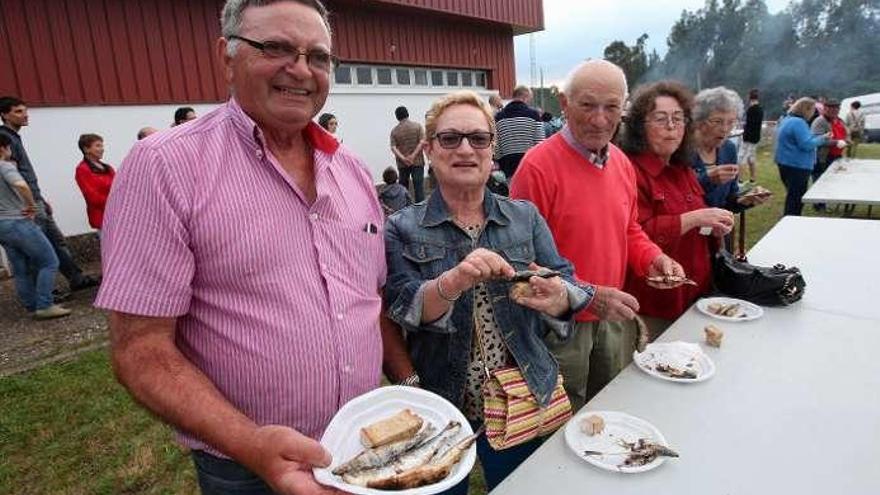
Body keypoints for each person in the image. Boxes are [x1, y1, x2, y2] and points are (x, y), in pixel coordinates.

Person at [95, 1, 391, 493]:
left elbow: (369, 301)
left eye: (317, 57)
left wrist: (408, 389)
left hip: (365, 446)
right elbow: (140, 349)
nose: (300, 70)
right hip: (246, 468)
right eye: (275, 48)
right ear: (226, 56)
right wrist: (250, 444)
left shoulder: (352, 170)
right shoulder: (166, 165)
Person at [383, 90, 593, 493]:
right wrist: (453, 281)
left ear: (492, 150)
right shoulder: (402, 227)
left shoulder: (524, 216)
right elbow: (401, 305)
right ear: (429, 149)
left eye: (478, 139)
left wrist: (559, 296)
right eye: (450, 138)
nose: (465, 149)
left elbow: (569, 281)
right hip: (442, 401)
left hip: (521, 395)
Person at [510, 60, 687, 411]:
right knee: (560, 420)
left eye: (611, 107)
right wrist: (584, 297)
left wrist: (653, 258)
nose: (599, 119)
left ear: (624, 109)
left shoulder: (621, 163)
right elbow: (518, 260)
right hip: (559, 327)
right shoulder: (537, 167)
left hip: (613, 317)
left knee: (611, 410)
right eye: (587, 105)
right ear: (564, 103)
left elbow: (629, 228)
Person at [620, 81, 733, 337]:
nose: (671, 127)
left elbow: (698, 222)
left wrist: (712, 226)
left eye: (678, 118)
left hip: (696, 293)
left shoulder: (683, 169)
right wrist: (694, 218)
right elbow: (636, 234)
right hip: (655, 303)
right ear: (640, 127)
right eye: (660, 119)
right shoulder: (630, 172)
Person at [0, 96, 101, 293]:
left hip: (36, 199)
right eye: (18, 111)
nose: (25, 115)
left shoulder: (14, 137)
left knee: (56, 241)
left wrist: (41, 199)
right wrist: (29, 204)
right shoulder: (6, 140)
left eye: (25, 110)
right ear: (4, 115)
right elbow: (13, 177)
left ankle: (76, 278)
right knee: (39, 251)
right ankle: (44, 294)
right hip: (26, 206)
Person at [0, 133, 71, 319]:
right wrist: (31, 205)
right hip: (18, 221)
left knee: (20, 268)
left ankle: (32, 305)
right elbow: (21, 185)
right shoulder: (5, 166)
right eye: (8, 148)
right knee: (49, 261)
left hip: (3, 226)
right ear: (3, 148)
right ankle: (45, 305)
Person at [691, 87, 768, 213]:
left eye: (731, 122)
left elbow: (728, 200)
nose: (725, 129)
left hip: (720, 230)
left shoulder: (729, 149)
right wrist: (707, 180)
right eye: (717, 121)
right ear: (699, 121)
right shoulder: (680, 152)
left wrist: (743, 200)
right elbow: (676, 199)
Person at [775, 97, 836, 216]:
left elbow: (800, 139)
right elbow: (807, 145)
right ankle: (792, 219)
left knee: (792, 194)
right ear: (806, 109)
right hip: (797, 165)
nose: (814, 113)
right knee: (796, 198)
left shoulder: (787, 119)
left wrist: (814, 137)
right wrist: (823, 138)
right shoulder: (799, 123)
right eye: (813, 110)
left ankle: (790, 217)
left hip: (785, 163)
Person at [495, 85, 544, 179]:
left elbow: (497, 146)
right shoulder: (534, 115)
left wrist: (501, 164)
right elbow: (540, 142)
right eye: (529, 99)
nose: (529, 102)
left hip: (508, 165)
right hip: (530, 164)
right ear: (525, 97)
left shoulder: (499, 117)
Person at [810, 98, 848, 211]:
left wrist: (846, 139)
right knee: (820, 180)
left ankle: (826, 202)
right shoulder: (819, 121)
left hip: (837, 155)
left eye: (837, 108)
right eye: (832, 109)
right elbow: (817, 140)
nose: (835, 111)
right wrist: (836, 142)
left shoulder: (839, 120)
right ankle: (818, 204)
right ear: (825, 109)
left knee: (832, 180)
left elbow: (845, 133)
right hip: (823, 156)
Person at [74, 134, 116, 233]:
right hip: (103, 218)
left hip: (118, 215)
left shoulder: (108, 168)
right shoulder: (82, 169)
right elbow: (92, 197)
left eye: (102, 146)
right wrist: (115, 202)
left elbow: (119, 187)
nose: (102, 149)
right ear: (86, 149)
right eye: (98, 146)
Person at [389, 105, 426, 202]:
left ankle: (405, 209)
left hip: (402, 164)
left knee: (403, 188)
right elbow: (422, 142)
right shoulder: (417, 126)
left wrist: (403, 159)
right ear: (407, 114)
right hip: (417, 162)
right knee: (419, 188)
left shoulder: (394, 131)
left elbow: (393, 147)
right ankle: (420, 212)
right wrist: (413, 156)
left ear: (397, 117)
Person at [739, 88, 764, 183]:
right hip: (755, 138)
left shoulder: (751, 110)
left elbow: (749, 125)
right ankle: (752, 178)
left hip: (748, 138)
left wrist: (744, 134)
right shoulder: (760, 110)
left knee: (742, 158)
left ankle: (740, 179)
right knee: (751, 158)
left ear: (749, 98)